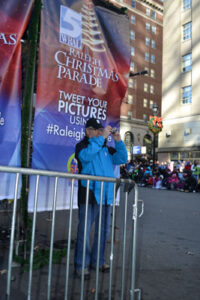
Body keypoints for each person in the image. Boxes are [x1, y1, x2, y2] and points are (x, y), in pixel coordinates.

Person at [74, 118, 128, 279]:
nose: (100, 132)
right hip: (89, 195)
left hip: (105, 195)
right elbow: (85, 157)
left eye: (101, 130)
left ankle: (98, 261)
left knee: (103, 230)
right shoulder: (82, 146)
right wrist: (101, 138)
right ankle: (81, 265)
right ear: (87, 131)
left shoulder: (106, 148)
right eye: (97, 130)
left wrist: (118, 142)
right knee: (84, 230)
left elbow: (122, 158)